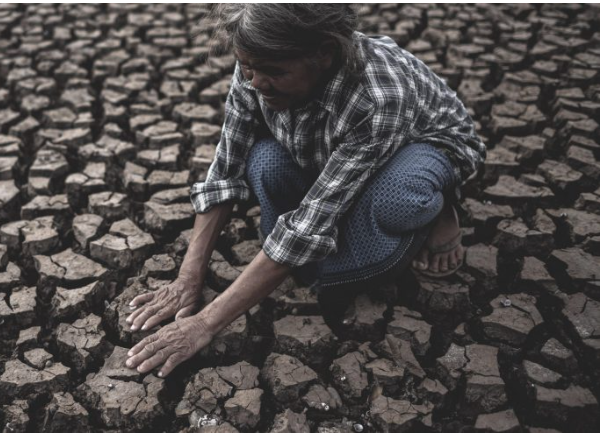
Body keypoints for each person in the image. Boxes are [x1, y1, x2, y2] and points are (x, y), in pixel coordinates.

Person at [125, 4, 485, 376]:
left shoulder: (378, 98)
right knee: (263, 160)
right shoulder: (258, 62)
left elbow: (306, 228)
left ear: (323, 54)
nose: (256, 83)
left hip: (421, 149)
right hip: (335, 151)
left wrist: (204, 324)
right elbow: (226, 169)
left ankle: (442, 208)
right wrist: (187, 279)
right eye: (247, 68)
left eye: (274, 73)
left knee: (391, 212)